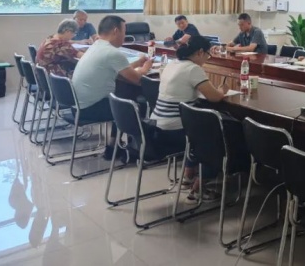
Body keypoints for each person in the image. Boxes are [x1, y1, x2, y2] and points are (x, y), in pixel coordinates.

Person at [150, 36, 229, 199]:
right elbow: (214, 97)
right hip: (173, 131)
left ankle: (188, 176)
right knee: (217, 138)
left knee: (196, 128)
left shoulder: (173, 64)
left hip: (157, 126)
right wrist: (223, 90)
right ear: (200, 52)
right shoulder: (193, 69)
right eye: (207, 54)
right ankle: (199, 188)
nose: (207, 59)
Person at [71, 15, 153, 158]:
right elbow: (138, 80)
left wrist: (137, 63)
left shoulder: (96, 46)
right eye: (124, 31)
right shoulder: (112, 52)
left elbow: (118, 70)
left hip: (78, 106)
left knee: (124, 95)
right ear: (116, 31)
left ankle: (113, 146)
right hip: (90, 109)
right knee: (134, 105)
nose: (125, 36)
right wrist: (146, 67)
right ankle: (141, 150)